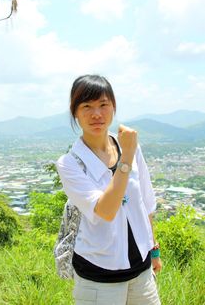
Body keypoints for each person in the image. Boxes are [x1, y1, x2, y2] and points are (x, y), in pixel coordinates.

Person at [56, 74, 162, 305]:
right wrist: (126, 160)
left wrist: (154, 251)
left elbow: (145, 201)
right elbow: (105, 210)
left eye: (103, 105)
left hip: (141, 271)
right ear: (75, 112)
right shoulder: (70, 163)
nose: (96, 114)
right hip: (98, 278)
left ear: (113, 107)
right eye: (87, 106)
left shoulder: (129, 146)